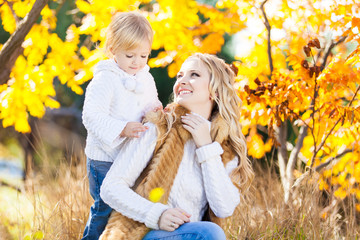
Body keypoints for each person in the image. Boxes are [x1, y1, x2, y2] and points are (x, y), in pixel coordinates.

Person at [99, 53, 254, 240]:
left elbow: (224, 208)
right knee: (209, 234)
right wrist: (157, 214)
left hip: (187, 235)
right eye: (180, 76)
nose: (182, 81)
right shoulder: (158, 127)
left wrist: (206, 147)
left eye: (194, 75)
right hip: (140, 234)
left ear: (216, 91)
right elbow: (111, 187)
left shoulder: (225, 150)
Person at [81, 11, 162, 240]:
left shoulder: (145, 77)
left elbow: (150, 102)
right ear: (113, 49)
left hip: (131, 156)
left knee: (127, 208)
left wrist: (155, 111)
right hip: (104, 158)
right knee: (104, 209)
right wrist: (122, 128)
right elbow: (91, 116)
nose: (137, 62)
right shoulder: (105, 79)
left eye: (143, 55)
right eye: (130, 55)